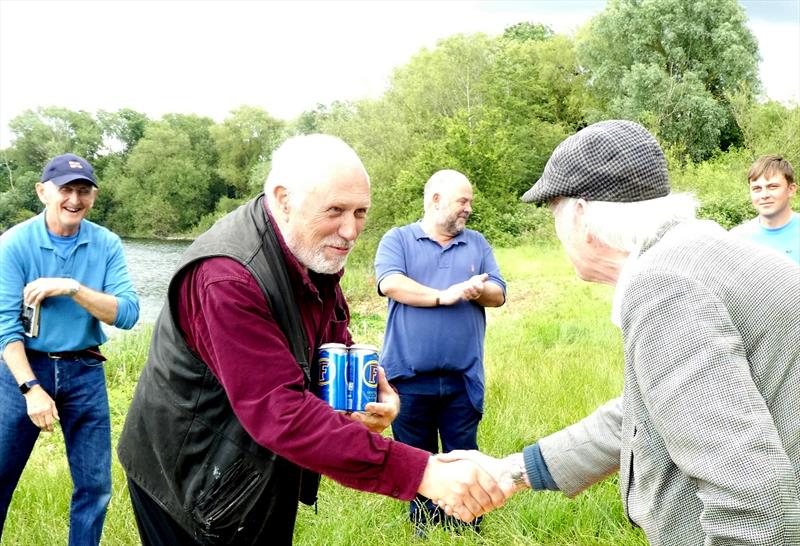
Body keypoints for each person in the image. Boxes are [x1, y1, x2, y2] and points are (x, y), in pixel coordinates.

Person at [117, 135, 509, 546]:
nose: (351, 230)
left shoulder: (308, 246)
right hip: (192, 471)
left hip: (260, 465)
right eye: (336, 210)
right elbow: (280, 413)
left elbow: (331, 340)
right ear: (284, 199)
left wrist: (375, 393)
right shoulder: (226, 277)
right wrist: (423, 473)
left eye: (361, 213)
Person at [440, 121, 800, 545]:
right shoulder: (697, 254)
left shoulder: (665, 285)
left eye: (554, 211)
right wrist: (513, 471)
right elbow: (640, 414)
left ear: (581, 214)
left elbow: (755, 506)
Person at [0, 153, 140, 545]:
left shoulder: (106, 243)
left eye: (84, 190)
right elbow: (5, 329)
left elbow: (127, 314)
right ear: (43, 192)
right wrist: (31, 390)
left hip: (85, 371)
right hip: (23, 373)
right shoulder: (14, 244)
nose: (75, 200)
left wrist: (72, 288)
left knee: (95, 488)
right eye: (66, 190)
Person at [374, 169, 506, 533]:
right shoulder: (398, 239)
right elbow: (391, 283)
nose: (468, 209)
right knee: (417, 459)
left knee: (463, 455)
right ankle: (425, 527)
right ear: (435, 200)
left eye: (470, 202)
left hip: (463, 378)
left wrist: (480, 291)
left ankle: (465, 527)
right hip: (408, 378)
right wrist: (442, 296)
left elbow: (499, 291)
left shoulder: (477, 243)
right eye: (462, 201)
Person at [730, 154, 799, 264]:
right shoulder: (736, 240)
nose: (764, 195)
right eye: (757, 188)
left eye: (772, 187)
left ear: (791, 189)